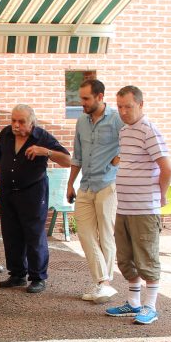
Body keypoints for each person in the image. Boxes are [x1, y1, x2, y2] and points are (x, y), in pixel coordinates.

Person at [104, 85, 171, 325]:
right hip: (124, 207)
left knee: (146, 258)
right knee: (125, 258)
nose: (123, 111)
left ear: (140, 105)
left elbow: (167, 167)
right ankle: (133, 303)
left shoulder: (149, 130)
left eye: (128, 107)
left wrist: (161, 195)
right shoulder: (125, 131)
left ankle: (150, 306)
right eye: (120, 106)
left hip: (144, 208)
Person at [0, 105, 69, 293]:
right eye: (13, 120)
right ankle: (17, 274)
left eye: (21, 122)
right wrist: (5, 182)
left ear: (32, 122)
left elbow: (67, 159)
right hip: (8, 191)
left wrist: (46, 152)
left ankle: (38, 277)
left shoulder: (42, 137)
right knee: (11, 233)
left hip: (33, 192)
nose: (16, 125)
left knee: (34, 234)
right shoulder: (5, 134)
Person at [67, 79, 121, 303]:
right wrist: (70, 183)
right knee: (86, 234)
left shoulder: (117, 119)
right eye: (81, 98)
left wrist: (115, 163)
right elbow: (77, 155)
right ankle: (104, 282)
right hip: (86, 185)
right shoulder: (81, 121)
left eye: (86, 98)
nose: (82, 103)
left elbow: (129, 145)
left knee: (106, 235)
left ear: (100, 97)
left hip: (107, 185)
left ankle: (103, 284)